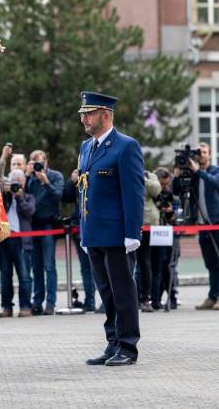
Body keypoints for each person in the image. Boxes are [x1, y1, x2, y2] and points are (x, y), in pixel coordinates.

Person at [77, 92, 144, 367]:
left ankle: (128, 346)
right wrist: (84, 231)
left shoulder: (126, 146)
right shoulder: (86, 147)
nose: (84, 118)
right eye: (82, 113)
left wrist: (132, 233)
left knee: (122, 292)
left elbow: (134, 193)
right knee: (106, 292)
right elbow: (85, 190)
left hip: (117, 235)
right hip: (93, 233)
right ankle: (113, 341)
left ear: (105, 115)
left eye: (89, 113)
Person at [173, 143, 219, 311]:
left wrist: (198, 171)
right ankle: (212, 296)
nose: (202, 155)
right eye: (200, 152)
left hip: (218, 221)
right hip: (201, 223)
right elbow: (177, 191)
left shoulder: (217, 170)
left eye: (204, 152)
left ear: (210, 155)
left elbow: (216, 183)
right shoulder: (194, 173)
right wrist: (177, 176)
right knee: (210, 262)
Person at [26, 150, 64, 315]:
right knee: (36, 266)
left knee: (49, 266)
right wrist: (28, 176)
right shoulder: (31, 178)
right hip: (33, 227)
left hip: (48, 225)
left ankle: (50, 303)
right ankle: (37, 302)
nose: (38, 166)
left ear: (46, 162)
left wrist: (46, 182)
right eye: (34, 163)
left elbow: (58, 197)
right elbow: (24, 197)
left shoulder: (55, 176)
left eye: (40, 162)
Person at [0, 169, 35, 318]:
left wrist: (19, 198)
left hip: (22, 241)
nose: (16, 186)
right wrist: (5, 193)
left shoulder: (29, 197)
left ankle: (25, 306)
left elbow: (29, 212)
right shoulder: (3, 199)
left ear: (23, 184)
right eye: (13, 183)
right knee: (5, 276)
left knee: (25, 276)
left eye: (18, 183)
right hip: (5, 240)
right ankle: (7, 307)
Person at [62, 168, 96, 312]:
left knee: (100, 267)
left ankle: (106, 302)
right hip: (80, 226)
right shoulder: (79, 177)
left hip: (95, 226)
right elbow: (66, 197)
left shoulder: (96, 173)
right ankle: (90, 301)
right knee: (85, 267)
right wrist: (72, 181)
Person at [151, 167, 179, 309]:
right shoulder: (150, 194)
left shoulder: (169, 194)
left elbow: (176, 216)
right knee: (154, 268)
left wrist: (171, 211)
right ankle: (153, 298)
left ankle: (172, 296)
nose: (164, 187)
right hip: (152, 233)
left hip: (166, 233)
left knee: (167, 266)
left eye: (166, 184)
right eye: (162, 184)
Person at [138, 170, 161, 312]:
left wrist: (143, 178)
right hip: (131, 222)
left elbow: (156, 190)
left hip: (149, 224)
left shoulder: (149, 175)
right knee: (130, 263)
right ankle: (132, 297)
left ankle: (146, 298)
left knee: (146, 263)